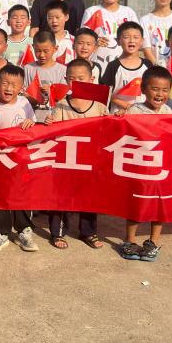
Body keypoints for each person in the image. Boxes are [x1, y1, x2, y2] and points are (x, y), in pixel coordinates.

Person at [44, 58, 109, 249]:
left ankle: (88, 232)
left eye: (81, 79)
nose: (76, 83)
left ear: (91, 79)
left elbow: (109, 129)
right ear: (65, 80)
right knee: (61, 197)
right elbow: (53, 131)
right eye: (71, 79)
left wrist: (115, 119)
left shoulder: (99, 106)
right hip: (66, 160)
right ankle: (58, 232)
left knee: (89, 197)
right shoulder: (61, 105)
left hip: (90, 160)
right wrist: (49, 123)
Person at [0, 64, 38, 254]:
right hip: (0, 159)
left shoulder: (24, 103)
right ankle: (1, 232)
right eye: (5, 83)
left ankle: (24, 231)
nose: (9, 88)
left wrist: (30, 123)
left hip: (21, 159)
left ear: (21, 87)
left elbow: (33, 126)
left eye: (14, 85)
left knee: (22, 194)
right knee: (0, 195)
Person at [119, 66, 172, 262]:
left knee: (159, 205)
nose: (160, 94)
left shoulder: (169, 112)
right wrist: (119, 119)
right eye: (155, 89)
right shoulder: (134, 110)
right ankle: (130, 240)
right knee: (137, 203)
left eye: (165, 90)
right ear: (143, 89)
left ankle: (153, 241)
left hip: (161, 168)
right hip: (139, 168)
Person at [80, 0, 137, 70]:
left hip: (123, 64)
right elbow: (83, 39)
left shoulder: (128, 12)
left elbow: (137, 40)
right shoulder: (91, 11)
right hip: (97, 64)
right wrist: (95, 42)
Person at [101, 21, 151, 111]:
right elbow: (105, 93)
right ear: (118, 41)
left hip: (143, 115)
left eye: (136, 37)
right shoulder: (113, 66)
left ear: (142, 41)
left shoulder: (148, 65)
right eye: (126, 37)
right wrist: (129, 107)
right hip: (118, 115)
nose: (131, 40)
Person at [23, 31, 67, 123]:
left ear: (55, 48)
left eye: (46, 51)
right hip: (32, 119)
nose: (42, 55)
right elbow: (23, 94)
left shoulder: (62, 70)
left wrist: (52, 92)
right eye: (38, 51)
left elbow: (65, 97)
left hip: (54, 118)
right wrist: (34, 97)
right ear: (33, 47)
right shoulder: (28, 68)